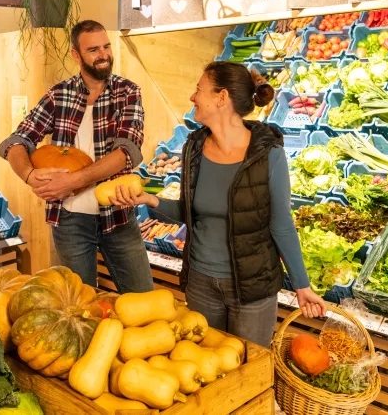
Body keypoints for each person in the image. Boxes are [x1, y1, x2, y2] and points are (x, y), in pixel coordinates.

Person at [110, 61, 327, 348]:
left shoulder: (268, 155)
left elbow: (282, 225)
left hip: (251, 288)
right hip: (201, 283)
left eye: (198, 90)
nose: (192, 97)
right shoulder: (194, 149)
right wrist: (150, 199)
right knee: (206, 368)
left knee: (248, 368)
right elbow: (191, 212)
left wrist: (302, 285)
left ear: (221, 97)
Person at [0, 19, 154, 294]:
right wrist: (29, 175)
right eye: (93, 49)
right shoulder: (58, 95)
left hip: (118, 216)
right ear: (76, 55)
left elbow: (127, 151)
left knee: (143, 296)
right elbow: (16, 141)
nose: (103, 54)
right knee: (80, 304)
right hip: (69, 220)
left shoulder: (128, 92)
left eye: (106, 46)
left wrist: (74, 181)